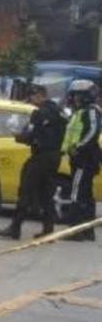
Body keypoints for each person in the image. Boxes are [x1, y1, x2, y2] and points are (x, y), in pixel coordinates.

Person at [0, 85, 66, 239]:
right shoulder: (60, 112)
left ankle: (15, 228)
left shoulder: (39, 113)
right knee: (46, 193)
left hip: (41, 157)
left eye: (32, 97)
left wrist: (17, 136)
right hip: (55, 157)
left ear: (40, 96)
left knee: (26, 190)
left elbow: (31, 135)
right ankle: (48, 228)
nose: (31, 101)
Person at [61, 79, 101, 242]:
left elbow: (93, 131)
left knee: (77, 194)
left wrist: (78, 147)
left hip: (84, 159)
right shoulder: (79, 112)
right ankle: (87, 230)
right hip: (80, 158)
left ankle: (75, 230)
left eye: (76, 95)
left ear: (84, 96)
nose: (73, 98)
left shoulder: (91, 111)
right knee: (85, 194)